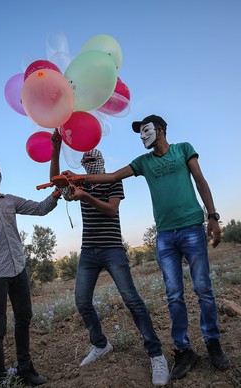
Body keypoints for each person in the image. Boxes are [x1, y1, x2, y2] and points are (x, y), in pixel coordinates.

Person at [62, 115, 230, 380]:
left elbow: (200, 180)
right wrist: (79, 177)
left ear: (160, 130)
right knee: (173, 294)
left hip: (191, 229)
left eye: (145, 131)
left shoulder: (183, 149)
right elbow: (114, 176)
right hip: (164, 235)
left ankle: (213, 343)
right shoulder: (143, 162)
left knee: (203, 289)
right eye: (139, 133)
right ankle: (183, 350)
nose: (142, 136)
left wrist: (212, 216)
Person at [50, 131, 170, 386]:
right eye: (85, 163)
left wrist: (86, 197)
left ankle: (156, 354)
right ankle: (100, 344)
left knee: (132, 300)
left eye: (92, 162)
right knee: (82, 301)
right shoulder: (79, 183)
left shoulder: (113, 181)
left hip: (113, 248)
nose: (88, 166)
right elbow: (55, 179)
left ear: (100, 162)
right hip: (88, 251)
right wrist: (56, 147)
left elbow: (111, 209)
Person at [0, 159, 60, 386]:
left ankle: (26, 370)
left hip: (18, 269)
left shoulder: (10, 201)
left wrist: (56, 194)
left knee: (24, 318)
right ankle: (1, 379)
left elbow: (39, 208)